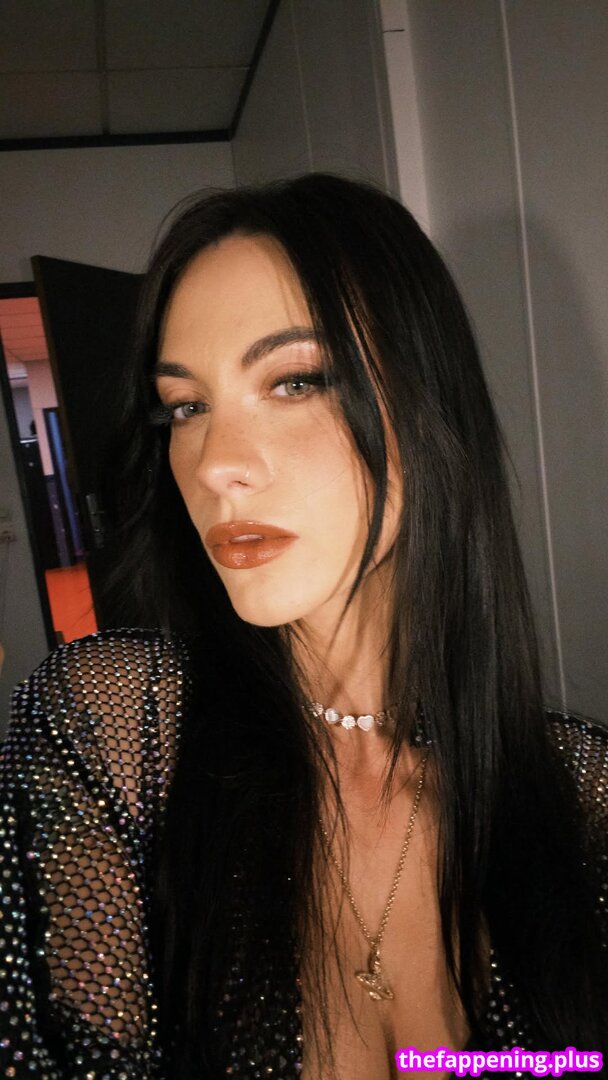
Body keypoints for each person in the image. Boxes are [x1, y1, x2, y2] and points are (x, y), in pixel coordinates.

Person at [0, 174, 606, 1080]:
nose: (216, 466)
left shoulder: (583, 790)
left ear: (429, 404)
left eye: (295, 381)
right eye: (186, 407)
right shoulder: (117, 733)